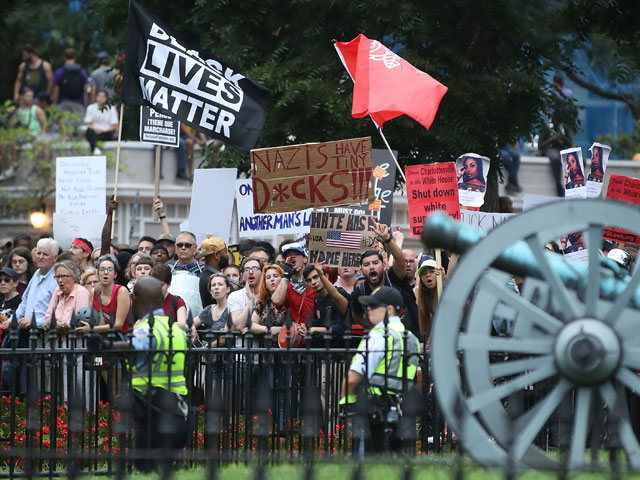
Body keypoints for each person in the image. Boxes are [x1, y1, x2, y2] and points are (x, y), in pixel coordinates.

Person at [339, 286, 420, 454]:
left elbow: (353, 378)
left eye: (374, 306)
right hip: (400, 411)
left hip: (371, 410)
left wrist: (346, 403)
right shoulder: (411, 338)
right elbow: (416, 375)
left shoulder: (378, 334)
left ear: (390, 309)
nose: (368, 309)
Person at [127, 276, 189, 472]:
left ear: (136, 299)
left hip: (153, 407)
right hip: (178, 408)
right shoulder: (174, 329)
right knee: (160, 469)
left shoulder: (145, 328)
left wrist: (109, 347)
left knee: (145, 468)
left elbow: (134, 349)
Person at [350, 221, 420, 338]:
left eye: (375, 263)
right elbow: (356, 314)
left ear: (384, 264)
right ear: (361, 270)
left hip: (409, 340)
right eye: (366, 265)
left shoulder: (394, 276)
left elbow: (400, 259)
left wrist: (387, 239)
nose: (371, 267)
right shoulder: (360, 292)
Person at [15, 238, 59, 329]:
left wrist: (35, 322)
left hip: (46, 333)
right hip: (27, 331)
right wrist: (13, 319)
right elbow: (25, 301)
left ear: (55, 258)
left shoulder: (58, 278)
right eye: (38, 253)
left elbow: (58, 312)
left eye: (45, 254)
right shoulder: (36, 274)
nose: (40, 257)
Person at [303, 263, 349, 347]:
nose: (313, 282)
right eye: (309, 280)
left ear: (326, 276)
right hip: (325, 348)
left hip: (343, 347)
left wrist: (317, 329)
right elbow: (315, 322)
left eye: (316, 277)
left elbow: (343, 327)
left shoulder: (340, 294)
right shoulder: (317, 298)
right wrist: (306, 328)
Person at [85, 254, 131, 336]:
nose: (105, 273)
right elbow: (89, 318)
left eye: (110, 270)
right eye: (102, 269)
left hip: (118, 339)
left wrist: (92, 329)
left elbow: (118, 325)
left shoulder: (121, 291)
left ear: (115, 274)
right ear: (98, 273)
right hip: (99, 338)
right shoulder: (94, 292)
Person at [272, 241, 316, 325]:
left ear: (305, 259)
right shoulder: (285, 285)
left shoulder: (314, 280)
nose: (292, 257)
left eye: (296, 254)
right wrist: (286, 275)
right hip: (297, 335)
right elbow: (276, 301)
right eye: (288, 255)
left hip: (316, 333)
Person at [45, 260, 90, 329]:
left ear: (74, 278)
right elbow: (48, 316)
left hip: (73, 338)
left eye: (64, 276)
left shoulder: (81, 292)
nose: (60, 280)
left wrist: (60, 325)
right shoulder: (58, 291)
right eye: (57, 277)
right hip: (56, 337)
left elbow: (80, 322)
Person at [168, 232, 204, 317]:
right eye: (180, 245)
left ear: (195, 248)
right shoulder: (167, 269)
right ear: (175, 247)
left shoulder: (204, 270)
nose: (183, 248)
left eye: (187, 245)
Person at [246, 264, 286, 338]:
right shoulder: (263, 302)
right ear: (265, 283)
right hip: (268, 347)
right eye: (268, 277)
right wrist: (267, 329)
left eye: (276, 276)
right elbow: (251, 324)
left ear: (283, 279)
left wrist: (280, 329)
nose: (272, 279)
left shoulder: (289, 299)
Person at [227, 257, 264, 333]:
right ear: (242, 275)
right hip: (241, 344)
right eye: (247, 269)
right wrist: (250, 302)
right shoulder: (234, 296)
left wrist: (253, 329)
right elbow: (239, 325)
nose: (250, 272)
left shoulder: (268, 295)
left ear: (262, 273)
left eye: (255, 268)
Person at [414, 257, 446, 343]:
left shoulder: (447, 291)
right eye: (424, 273)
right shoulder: (424, 298)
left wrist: (444, 281)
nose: (428, 275)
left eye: (432, 272)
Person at [149, 264, 188, 330]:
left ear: (169, 284)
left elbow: (183, 324)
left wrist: (159, 323)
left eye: (161, 285)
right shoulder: (147, 301)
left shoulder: (177, 301)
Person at [52, 48, 88, 117]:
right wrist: (85, 103)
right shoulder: (82, 71)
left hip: (63, 102)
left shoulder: (60, 72)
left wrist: (55, 103)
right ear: (75, 57)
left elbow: (56, 90)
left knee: (64, 125)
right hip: (78, 103)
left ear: (64, 57)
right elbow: (85, 90)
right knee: (78, 125)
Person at [198, 236, 231, 308]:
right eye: (225, 251)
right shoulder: (211, 279)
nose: (227, 255)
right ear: (217, 255)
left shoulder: (207, 275)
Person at [84, 90, 118, 155]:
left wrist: (103, 130)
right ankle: (96, 148)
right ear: (96, 97)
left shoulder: (111, 108)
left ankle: (95, 149)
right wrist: (96, 129)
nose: (100, 98)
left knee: (100, 136)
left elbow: (114, 125)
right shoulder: (91, 108)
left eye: (103, 97)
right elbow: (88, 123)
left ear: (106, 98)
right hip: (94, 131)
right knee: (90, 132)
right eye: (99, 96)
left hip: (106, 131)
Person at [0, 268, 23, 336]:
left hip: (15, 340)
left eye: (7, 280)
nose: (2, 283)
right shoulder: (1, 300)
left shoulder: (21, 300)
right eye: (0, 280)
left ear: (16, 283)